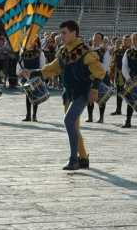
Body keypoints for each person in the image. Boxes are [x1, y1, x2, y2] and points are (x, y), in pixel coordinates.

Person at [19, 20, 105, 170]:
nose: (61, 36)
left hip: (82, 92)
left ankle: (74, 160)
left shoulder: (86, 52)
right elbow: (52, 68)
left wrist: (95, 89)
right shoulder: (64, 52)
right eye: (61, 33)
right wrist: (32, 72)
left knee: (69, 121)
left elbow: (100, 71)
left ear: (74, 33)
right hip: (68, 93)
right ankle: (83, 158)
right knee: (74, 126)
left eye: (64, 33)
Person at [16, 38, 46, 122]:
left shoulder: (40, 53)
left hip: (35, 77)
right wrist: (21, 71)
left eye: (32, 41)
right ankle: (28, 115)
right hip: (26, 77)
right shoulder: (23, 53)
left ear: (36, 42)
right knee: (28, 95)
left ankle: (34, 115)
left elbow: (42, 67)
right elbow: (19, 65)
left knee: (35, 95)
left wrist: (32, 71)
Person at [86, 32, 111, 123]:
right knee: (90, 97)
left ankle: (101, 118)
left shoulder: (104, 51)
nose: (96, 39)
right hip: (89, 77)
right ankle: (90, 117)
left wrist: (94, 65)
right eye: (94, 37)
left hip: (101, 77)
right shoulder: (88, 50)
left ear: (101, 40)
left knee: (101, 97)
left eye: (98, 38)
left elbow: (106, 66)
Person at [109, 35, 131, 116]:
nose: (126, 42)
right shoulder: (117, 51)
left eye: (128, 40)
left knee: (130, 92)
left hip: (130, 75)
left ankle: (131, 110)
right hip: (119, 74)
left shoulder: (132, 51)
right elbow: (113, 62)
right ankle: (118, 110)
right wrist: (112, 72)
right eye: (125, 40)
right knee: (119, 92)